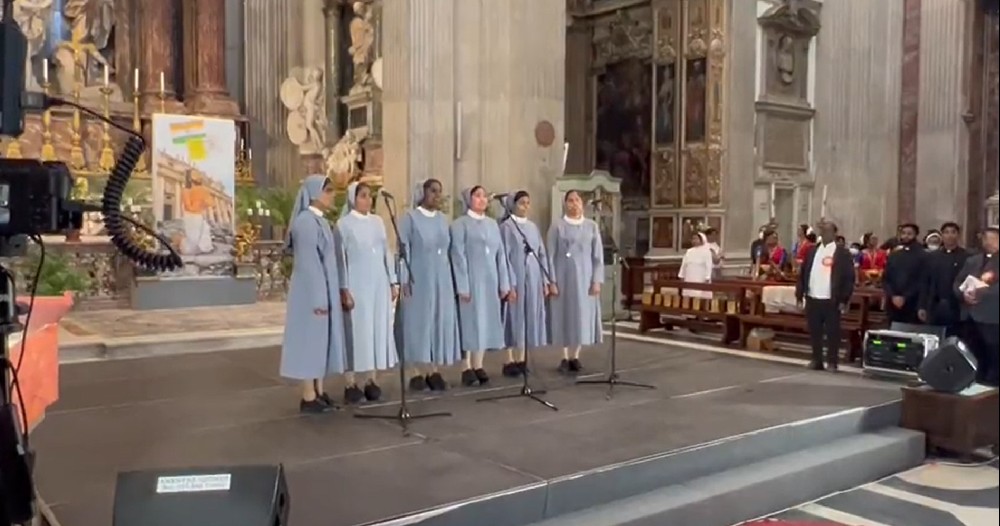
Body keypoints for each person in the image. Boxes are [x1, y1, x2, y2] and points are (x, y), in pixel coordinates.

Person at [280, 174, 350, 413]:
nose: (332, 195)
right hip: (311, 293)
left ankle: (320, 390)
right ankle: (308, 395)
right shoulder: (305, 223)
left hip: (324, 289)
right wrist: (320, 298)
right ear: (314, 193)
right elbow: (309, 265)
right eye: (328, 190)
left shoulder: (319, 221)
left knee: (321, 341)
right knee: (310, 341)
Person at [336, 182, 399, 403]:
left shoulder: (378, 222)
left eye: (369, 196)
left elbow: (386, 252)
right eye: (363, 196)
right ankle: (351, 382)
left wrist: (393, 281)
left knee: (376, 329)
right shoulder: (343, 225)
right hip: (357, 284)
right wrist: (344, 288)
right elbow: (341, 260)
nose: (368, 200)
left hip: (378, 283)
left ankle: (371, 379)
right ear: (353, 198)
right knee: (357, 331)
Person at [398, 179, 460, 392]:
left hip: (441, 278)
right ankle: (416, 371)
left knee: (437, 321)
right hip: (419, 278)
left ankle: (433, 369)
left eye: (439, 191)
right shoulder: (410, 219)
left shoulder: (443, 220)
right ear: (423, 192)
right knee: (418, 323)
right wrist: (403, 278)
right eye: (433, 191)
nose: (436, 195)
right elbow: (402, 252)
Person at [451, 186, 514, 387]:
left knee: (485, 322)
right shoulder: (460, 225)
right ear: (468, 199)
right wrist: (462, 285)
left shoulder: (492, 224)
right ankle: (466, 366)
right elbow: (458, 256)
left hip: (490, 280)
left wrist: (504, 283)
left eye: (484, 195)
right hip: (471, 280)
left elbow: (501, 255)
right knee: (469, 322)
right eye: (477, 195)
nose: (481, 199)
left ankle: (479, 364)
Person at [548, 190, 604, 373]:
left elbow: (598, 257)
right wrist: (551, 281)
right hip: (563, 278)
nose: (574, 204)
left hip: (585, 279)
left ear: (583, 203)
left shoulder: (591, 226)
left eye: (577, 200)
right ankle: (564, 356)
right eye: (570, 200)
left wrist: (596, 280)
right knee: (564, 315)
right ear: (565, 204)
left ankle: (575, 355)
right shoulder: (557, 226)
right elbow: (549, 255)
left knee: (581, 317)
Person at [498, 191, 549, 378]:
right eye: (521, 203)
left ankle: (522, 357)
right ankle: (509, 359)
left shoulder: (533, 227)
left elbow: (541, 253)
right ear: (513, 204)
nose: (525, 206)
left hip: (533, 277)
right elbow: (503, 255)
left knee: (528, 317)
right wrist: (509, 282)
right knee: (513, 318)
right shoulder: (506, 227)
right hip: (516, 277)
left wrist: (545, 280)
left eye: (528, 203)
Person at [795, 221, 855, 371]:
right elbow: (803, 275)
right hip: (813, 297)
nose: (824, 233)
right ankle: (817, 360)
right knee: (815, 331)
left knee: (832, 333)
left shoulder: (842, 253)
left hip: (831, 299)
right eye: (822, 230)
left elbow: (849, 278)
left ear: (835, 233)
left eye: (828, 230)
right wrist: (799, 294)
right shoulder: (812, 251)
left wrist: (844, 299)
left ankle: (832, 362)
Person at [954, 226, 999, 386]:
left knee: (992, 352)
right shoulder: (972, 260)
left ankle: (992, 383)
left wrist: (980, 293)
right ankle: (973, 379)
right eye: (985, 238)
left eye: (992, 238)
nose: (988, 242)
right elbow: (958, 282)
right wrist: (963, 294)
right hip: (970, 314)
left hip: (992, 315)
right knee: (971, 350)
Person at [918, 222, 967, 335]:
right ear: (942, 235)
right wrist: (922, 306)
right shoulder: (932, 256)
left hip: (957, 307)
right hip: (935, 306)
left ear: (958, 235)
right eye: (946, 232)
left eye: (953, 232)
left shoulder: (967, 257)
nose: (950, 235)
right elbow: (925, 282)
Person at [883, 223, 926, 324]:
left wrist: (905, 297)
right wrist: (893, 295)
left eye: (909, 234)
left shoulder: (923, 255)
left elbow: (922, 280)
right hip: (893, 303)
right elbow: (886, 278)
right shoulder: (894, 254)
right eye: (903, 233)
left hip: (912, 303)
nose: (906, 236)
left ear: (915, 235)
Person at [180, 170, 215, 255]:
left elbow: (211, 203)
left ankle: (199, 248)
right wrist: (201, 204)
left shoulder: (202, 190)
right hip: (191, 216)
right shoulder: (186, 191)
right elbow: (188, 206)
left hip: (196, 216)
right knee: (193, 237)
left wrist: (201, 204)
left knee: (202, 233)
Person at [678, 232, 714, 299]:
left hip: (700, 277)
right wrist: (681, 275)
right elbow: (684, 264)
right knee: (688, 294)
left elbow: (709, 266)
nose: (694, 241)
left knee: (700, 294)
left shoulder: (706, 252)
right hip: (689, 276)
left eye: (696, 239)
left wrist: (707, 278)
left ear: (702, 240)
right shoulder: (689, 251)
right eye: (693, 239)